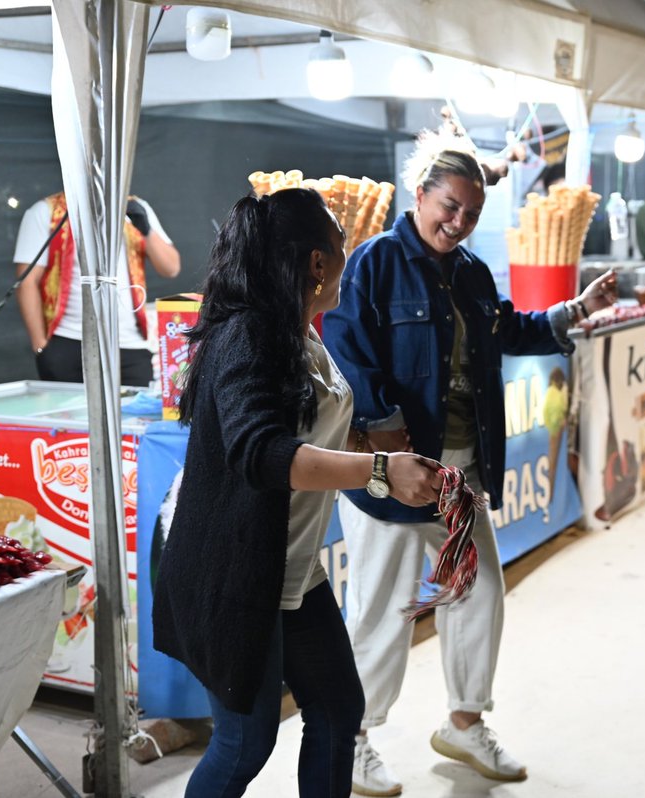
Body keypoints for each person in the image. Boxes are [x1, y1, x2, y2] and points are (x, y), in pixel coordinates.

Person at [322, 131, 618, 796]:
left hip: (460, 473)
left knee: (478, 594)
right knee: (384, 611)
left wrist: (575, 311)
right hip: (394, 475)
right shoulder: (371, 264)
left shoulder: (474, 272)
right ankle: (353, 739)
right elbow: (342, 346)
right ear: (419, 194)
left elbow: (508, 328)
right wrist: (385, 431)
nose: (459, 221)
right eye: (449, 206)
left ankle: (463, 722)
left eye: (471, 213)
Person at [151, 187, 443, 798]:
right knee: (244, 742)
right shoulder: (247, 334)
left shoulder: (297, 329)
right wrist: (381, 471)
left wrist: (378, 455)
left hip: (290, 567)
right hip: (230, 569)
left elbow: (312, 431)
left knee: (338, 711)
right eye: (341, 244)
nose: (347, 253)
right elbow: (262, 454)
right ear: (317, 261)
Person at [13, 192, 181, 385]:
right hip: (69, 341)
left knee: (136, 413)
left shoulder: (135, 207)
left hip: (128, 344)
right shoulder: (47, 211)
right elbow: (27, 282)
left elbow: (171, 268)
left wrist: (146, 230)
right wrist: (41, 347)